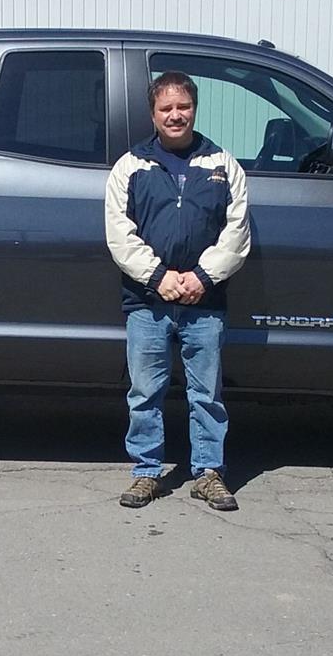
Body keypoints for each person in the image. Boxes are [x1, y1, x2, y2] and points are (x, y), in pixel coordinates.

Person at [103, 71, 252, 511]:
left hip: (205, 303)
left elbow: (237, 233)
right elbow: (119, 234)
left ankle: (208, 473)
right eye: (165, 108)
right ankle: (146, 472)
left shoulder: (223, 165)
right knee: (144, 393)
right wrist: (158, 277)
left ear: (194, 109)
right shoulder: (131, 166)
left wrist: (202, 277)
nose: (175, 115)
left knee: (206, 395)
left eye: (183, 106)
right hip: (147, 303)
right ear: (153, 114)